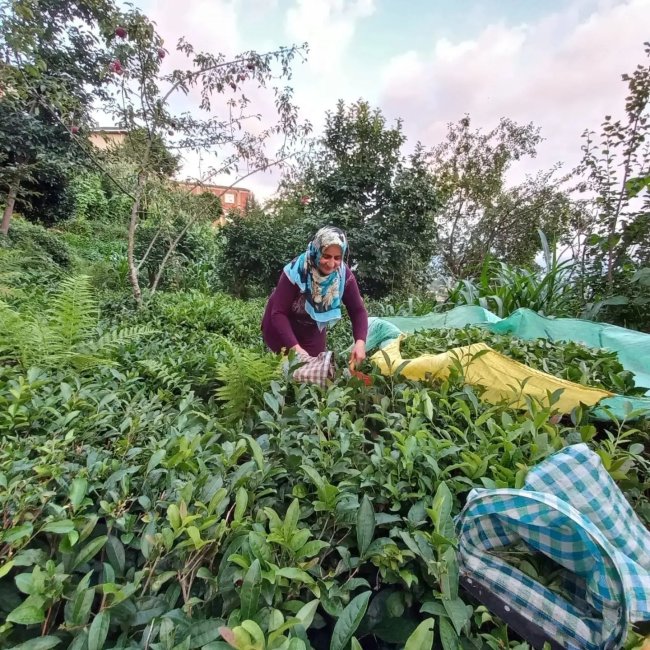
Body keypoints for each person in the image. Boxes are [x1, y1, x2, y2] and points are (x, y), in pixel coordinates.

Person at [261, 226, 368, 368]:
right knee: (283, 374)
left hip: (312, 328)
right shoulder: (296, 271)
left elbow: (357, 310)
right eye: (326, 256)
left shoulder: (343, 275)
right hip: (282, 328)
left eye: (337, 258)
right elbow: (278, 313)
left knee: (313, 375)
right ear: (317, 251)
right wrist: (296, 349)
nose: (331, 264)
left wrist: (360, 342)